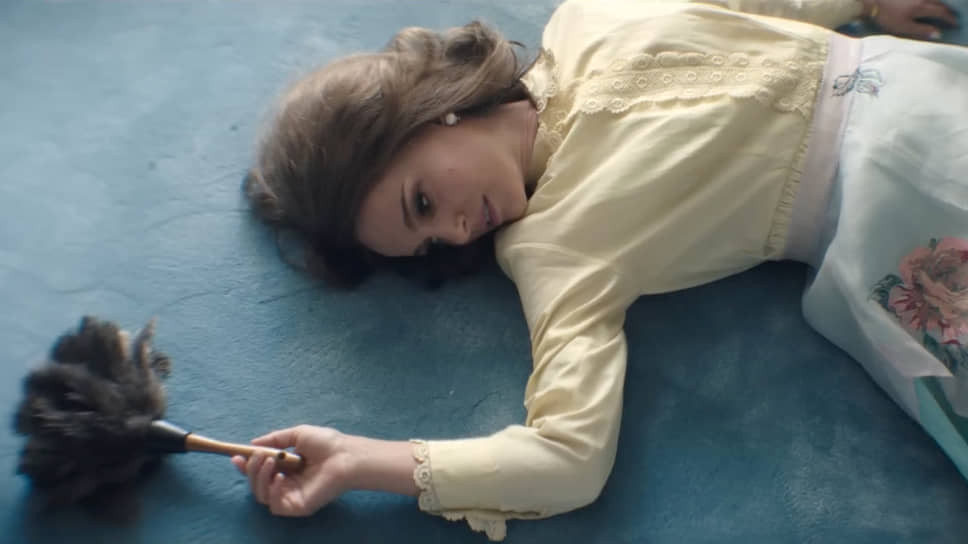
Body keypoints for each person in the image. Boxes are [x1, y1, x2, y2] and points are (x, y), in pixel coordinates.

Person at [235, 0, 967, 540]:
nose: (453, 232)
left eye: (422, 202)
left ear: (431, 110)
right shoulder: (552, 248)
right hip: (896, 227)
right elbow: (568, 460)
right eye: (428, 245)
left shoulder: (584, 20)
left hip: (923, 90)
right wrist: (360, 460)